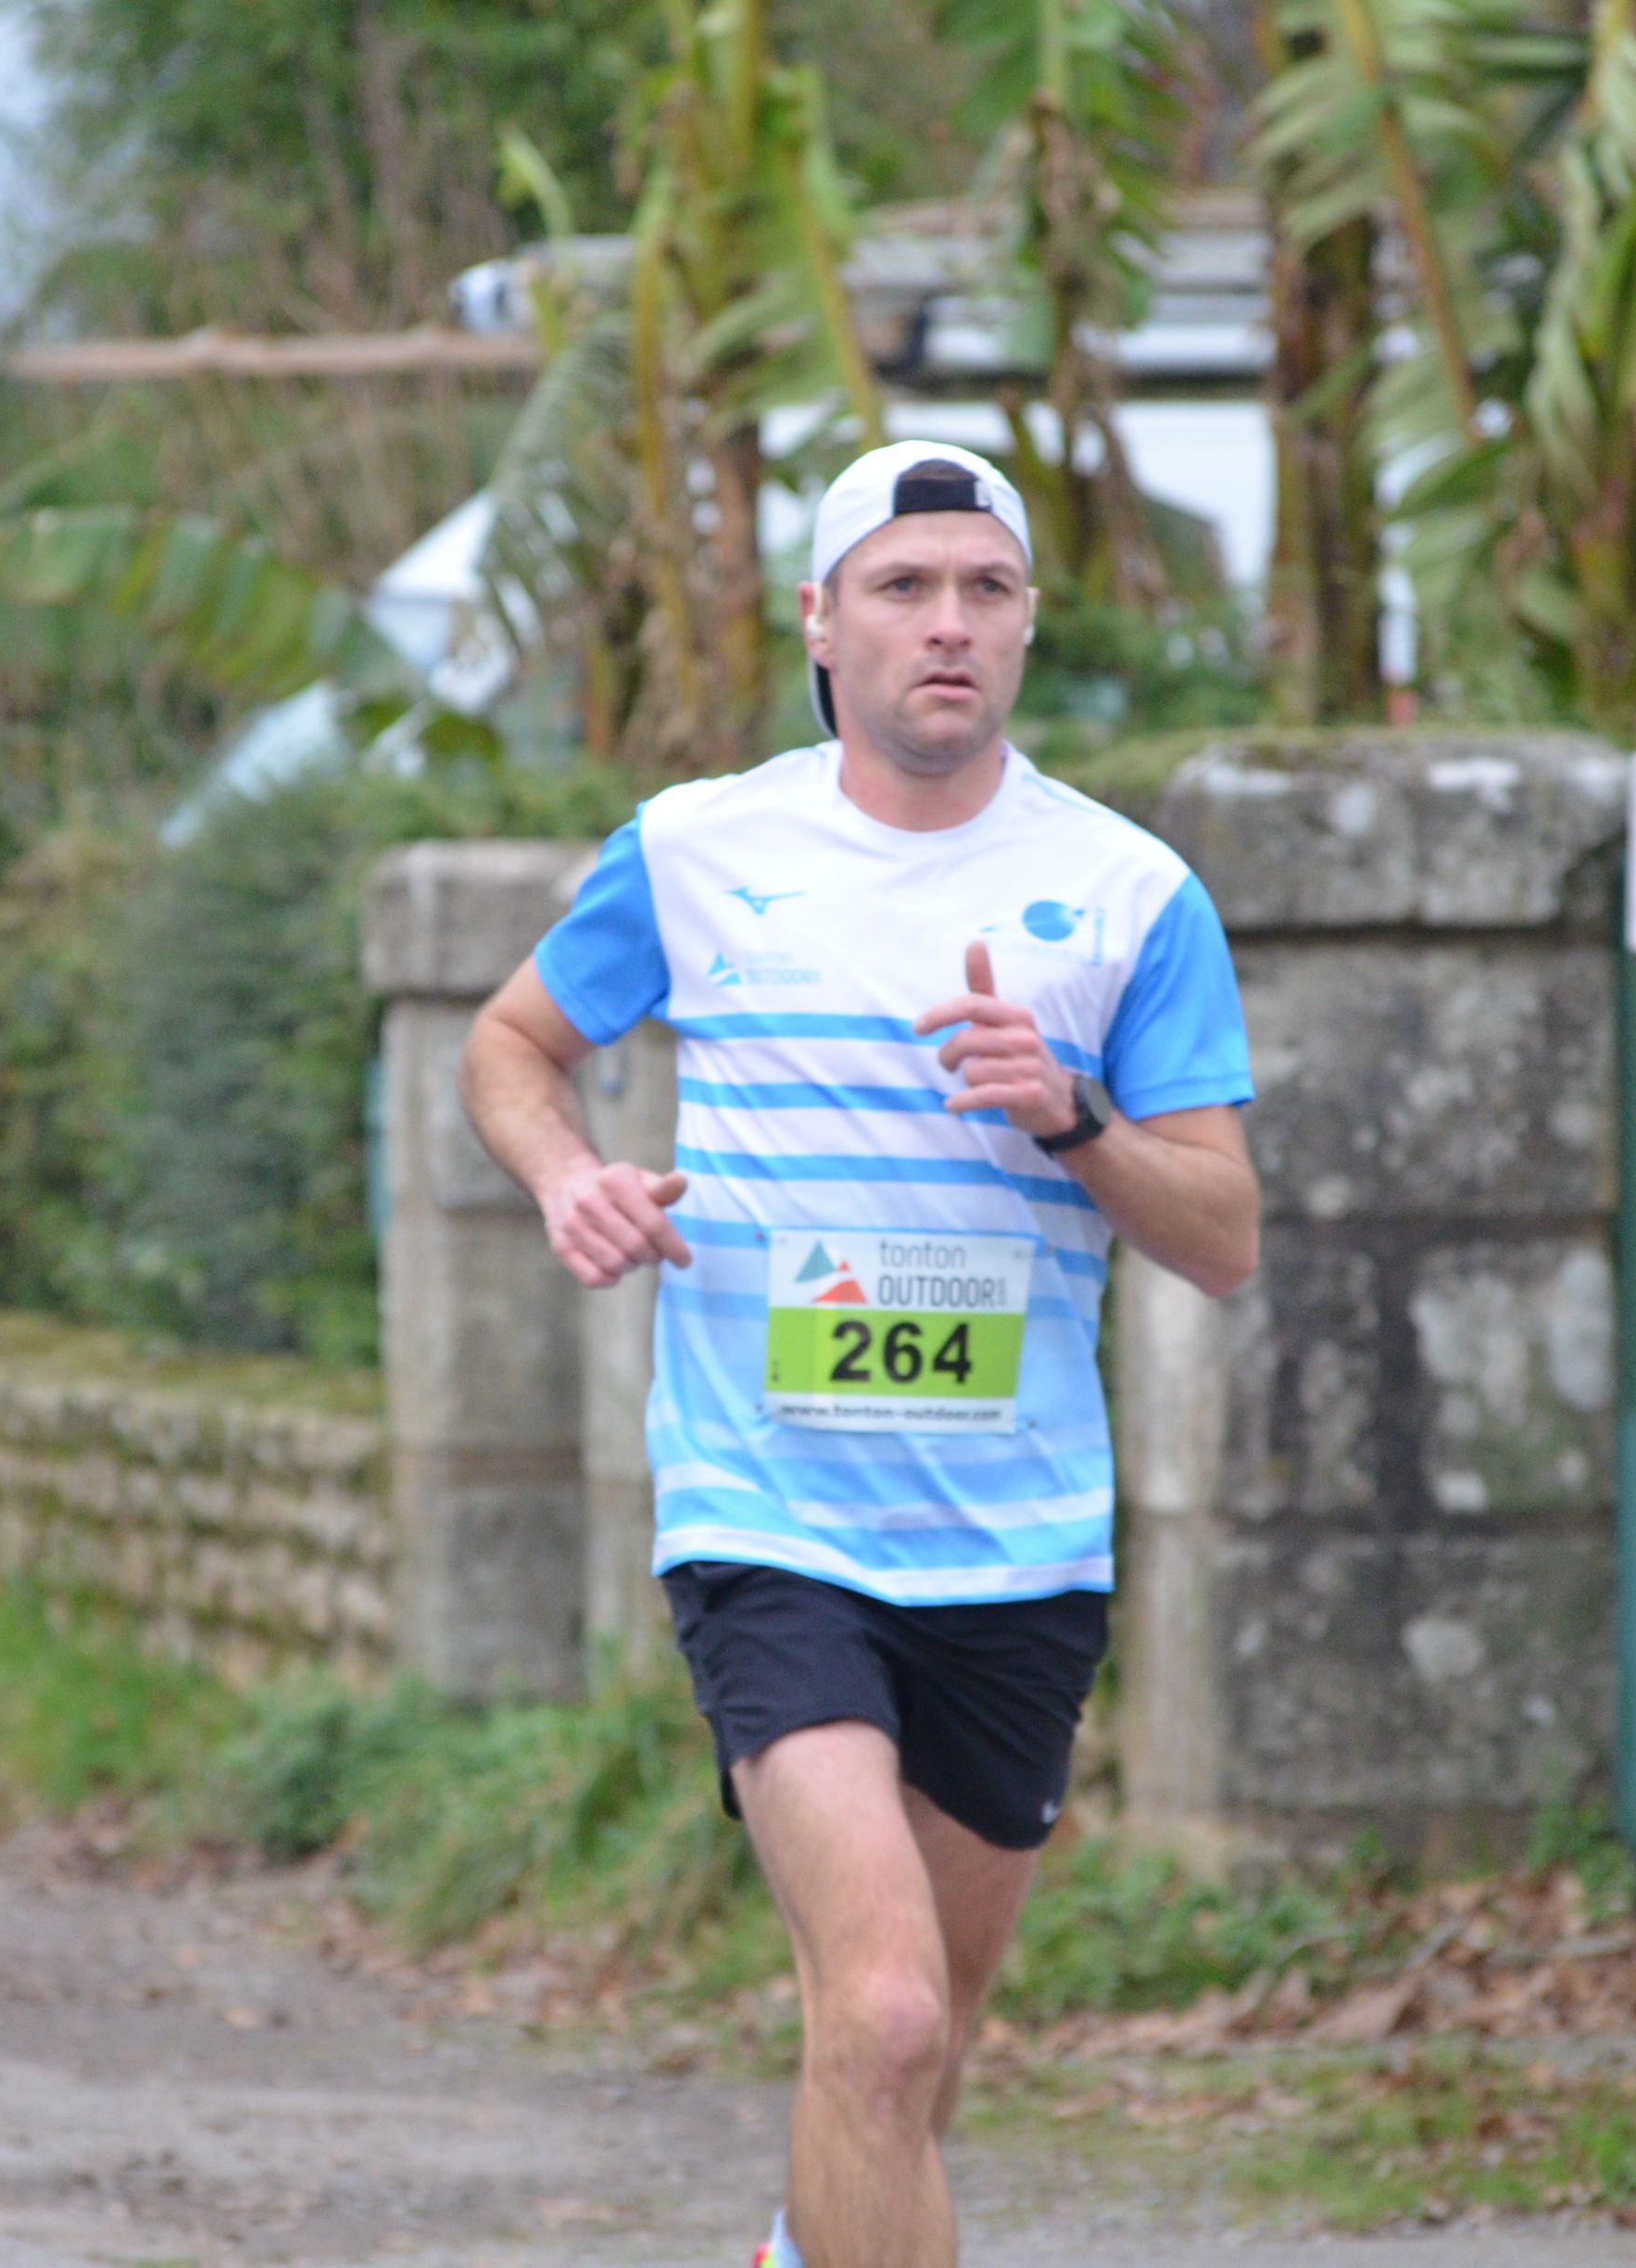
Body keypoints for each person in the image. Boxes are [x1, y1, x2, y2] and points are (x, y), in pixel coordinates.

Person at [458, 440, 1262, 2268]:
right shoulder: (697, 851)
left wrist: (1074, 1119)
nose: (948, 623)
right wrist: (571, 1176)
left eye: (986, 588)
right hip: (771, 1519)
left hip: (1017, 1546)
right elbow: (510, 1044)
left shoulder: (1129, 893)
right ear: (821, 624)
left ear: (1030, 626)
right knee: (885, 2016)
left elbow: (1221, 1236)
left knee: (918, 2052)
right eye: (905, 588)